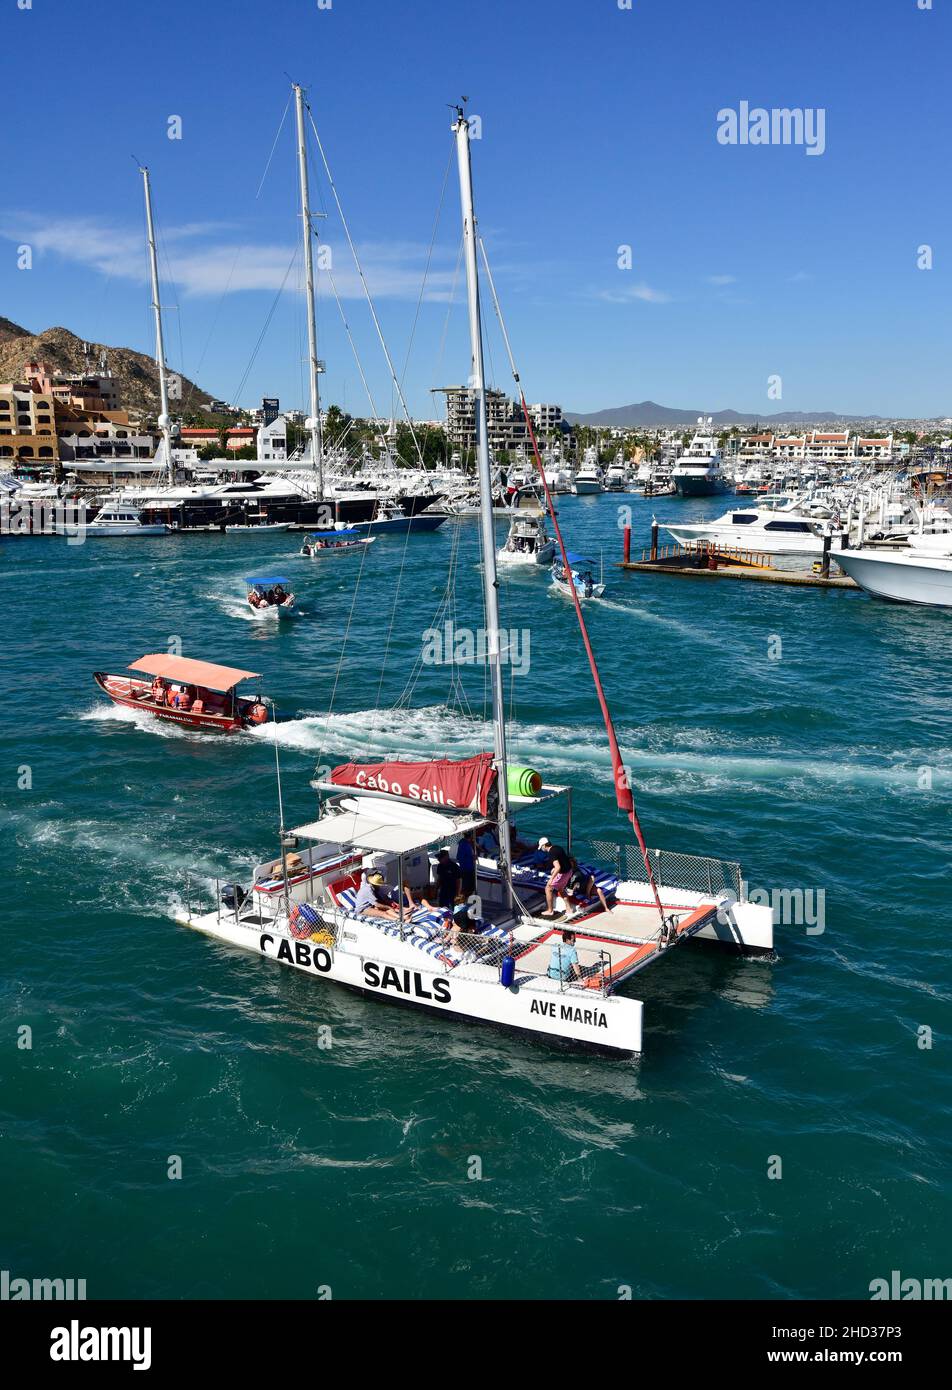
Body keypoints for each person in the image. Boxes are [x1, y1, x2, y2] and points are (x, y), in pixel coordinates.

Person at [538, 836, 571, 918]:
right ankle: (569, 909)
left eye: (541, 847)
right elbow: (563, 860)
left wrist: (551, 879)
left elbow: (558, 867)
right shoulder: (557, 847)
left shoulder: (551, 852)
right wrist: (554, 869)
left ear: (544, 846)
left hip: (563, 874)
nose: (541, 849)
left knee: (548, 888)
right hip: (569, 871)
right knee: (561, 889)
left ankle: (550, 910)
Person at [456, 831, 477, 898]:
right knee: (467, 886)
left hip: (468, 868)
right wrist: (472, 857)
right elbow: (460, 857)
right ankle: (464, 899)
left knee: (469, 886)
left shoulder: (466, 843)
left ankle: (467, 898)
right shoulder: (463, 844)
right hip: (466, 869)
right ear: (470, 836)